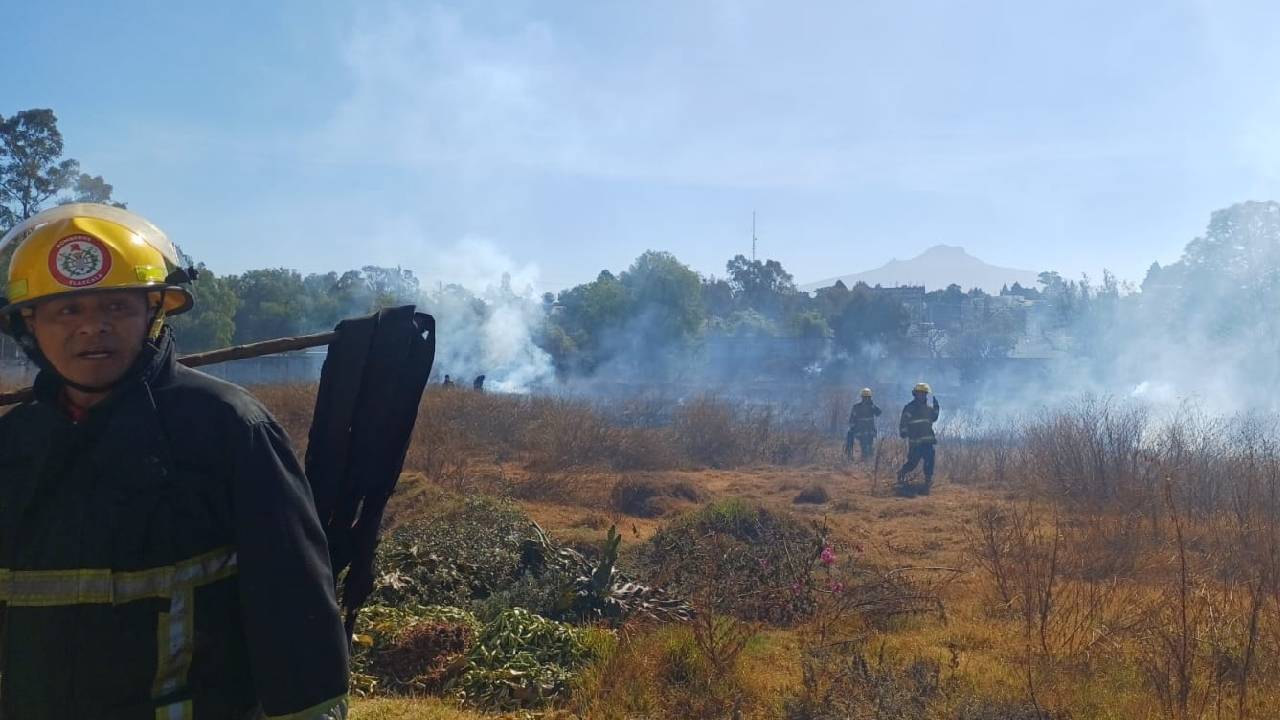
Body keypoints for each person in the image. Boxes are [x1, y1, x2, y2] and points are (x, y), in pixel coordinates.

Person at [0, 204, 349, 719]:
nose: (92, 328)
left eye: (115, 307)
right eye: (67, 311)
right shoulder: (12, 445)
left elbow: (294, 612)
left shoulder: (229, 429)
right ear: (30, 322)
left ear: (153, 312)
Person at [897, 382, 941, 492]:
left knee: (929, 461)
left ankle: (927, 481)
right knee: (912, 463)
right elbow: (903, 421)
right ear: (915, 394)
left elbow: (934, 418)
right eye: (920, 393)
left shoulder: (928, 408)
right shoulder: (909, 408)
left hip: (928, 441)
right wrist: (903, 432)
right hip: (915, 442)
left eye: (924, 394)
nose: (922, 396)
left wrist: (936, 407)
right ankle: (901, 473)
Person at [845, 387, 881, 461]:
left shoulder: (857, 407)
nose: (866, 399)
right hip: (868, 431)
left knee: (865, 445)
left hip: (861, 431)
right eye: (866, 397)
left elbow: (852, 420)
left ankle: (851, 455)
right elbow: (879, 413)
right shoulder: (870, 407)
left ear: (861, 397)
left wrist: (852, 428)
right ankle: (864, 459)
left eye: (866, 398)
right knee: (867, 446)